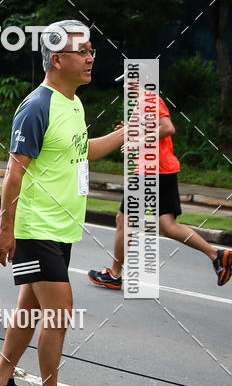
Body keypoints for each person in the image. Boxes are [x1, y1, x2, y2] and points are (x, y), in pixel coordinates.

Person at [0, 20, 124, 386]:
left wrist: (123, 133)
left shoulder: (73, 103)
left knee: (29, 308)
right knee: (59, 311)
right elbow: (13, 174)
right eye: (82, 51)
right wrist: (6, 230)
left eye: (92, 50)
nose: (90, 57)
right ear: (57, 59)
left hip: (61, 228)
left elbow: (83, 152)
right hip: (35, 226)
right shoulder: (36, 105)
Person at [88, 92, 232, 289]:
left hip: (150, 170)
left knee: (124, 219)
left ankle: (114, 274)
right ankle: (217, 255)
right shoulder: (143, 101)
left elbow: (167, 128)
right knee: (167, 226)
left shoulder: (148, 98)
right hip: (162, 169)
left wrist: (139, 141)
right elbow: (152, 132)